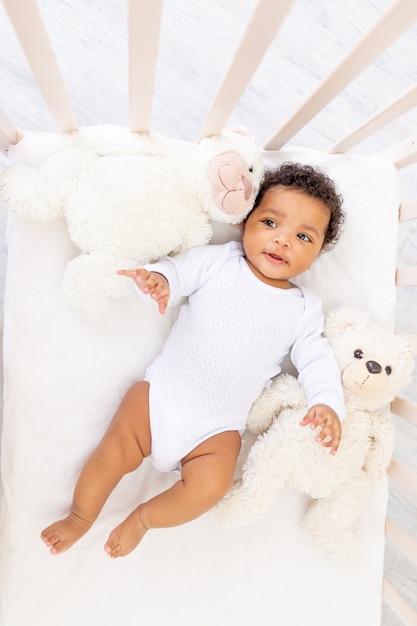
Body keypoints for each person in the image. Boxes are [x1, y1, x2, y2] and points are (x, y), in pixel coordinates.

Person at [41, 162, 345, 559]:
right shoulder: (219, 261)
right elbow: (177, 271)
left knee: (211, 487)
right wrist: (160, 281)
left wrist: (326, 403)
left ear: (317, 253)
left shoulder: (303, 309)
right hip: (157, 400)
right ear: (244, 221)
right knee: (113, 451)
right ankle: (80, 517)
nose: (283, 240)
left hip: (215, 431)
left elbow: (317, 360)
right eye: (271, 223)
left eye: (303, 236)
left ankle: (143, 519)